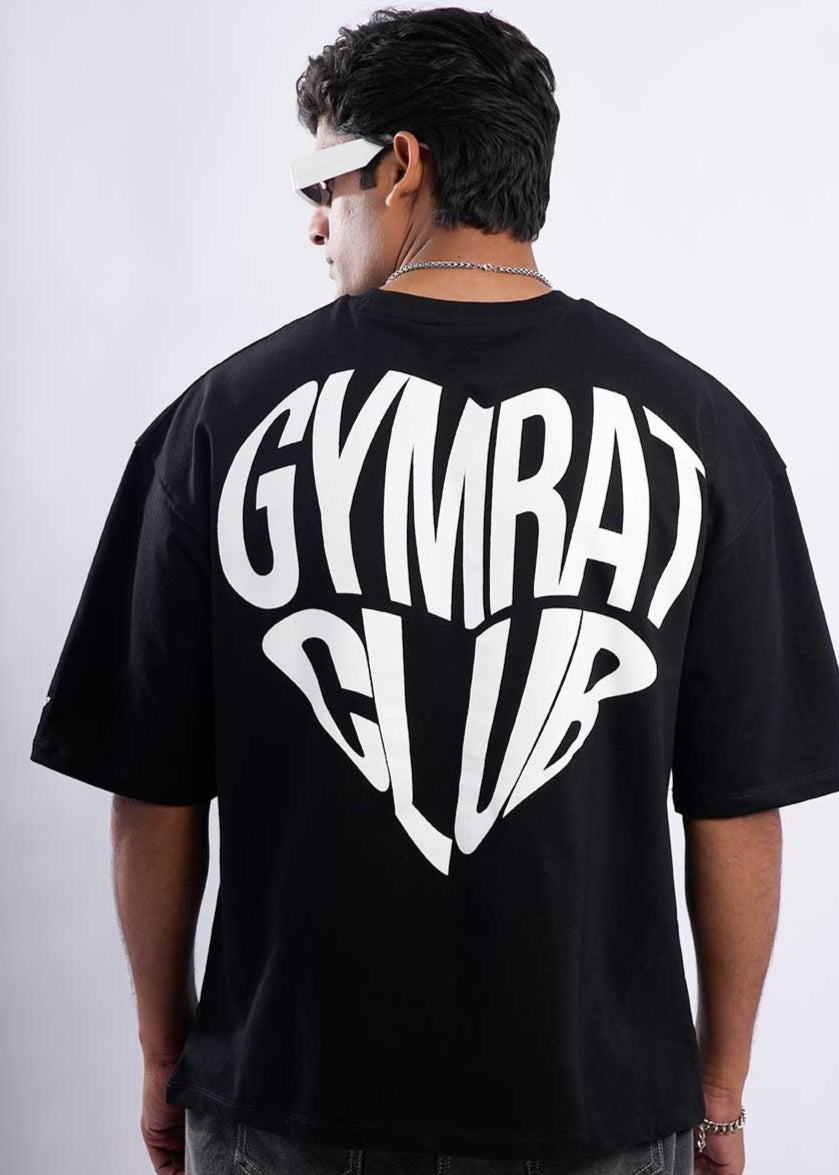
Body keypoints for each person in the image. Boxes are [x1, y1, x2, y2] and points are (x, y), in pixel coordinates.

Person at [29, 8, 839, 1175]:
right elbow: (735, 807)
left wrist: (166, 1054)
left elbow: (152, 792)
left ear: (401, 164)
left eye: (323, 180)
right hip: (598, 1109)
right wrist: (717, 1092)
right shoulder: (705, 434)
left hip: (288, 1102)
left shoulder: (217, 422)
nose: (313, 221)